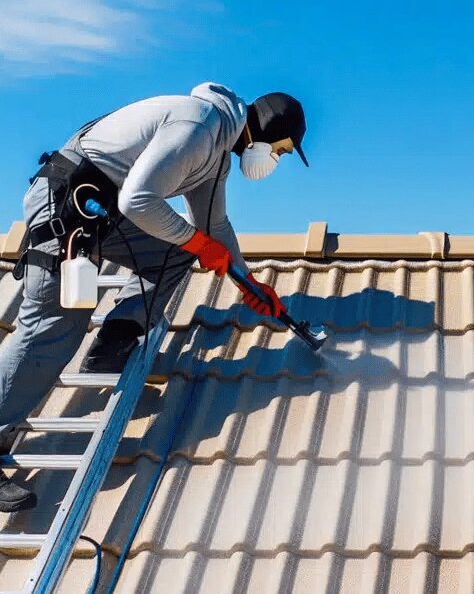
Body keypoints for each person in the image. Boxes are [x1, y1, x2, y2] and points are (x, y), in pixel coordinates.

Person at [0, 83, 307, 511]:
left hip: (100, 214)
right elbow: (138, 199)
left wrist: (250, 284)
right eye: (282, 150)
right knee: (52, 328)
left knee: (177, 249)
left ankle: (116, 338)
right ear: (269, 130)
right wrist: (201, 244)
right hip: (66, 205)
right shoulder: (199, 125)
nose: (277, 158)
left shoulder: (216, 154)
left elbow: (213, 228)